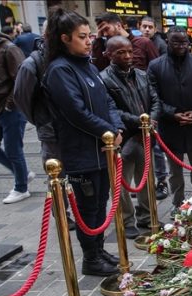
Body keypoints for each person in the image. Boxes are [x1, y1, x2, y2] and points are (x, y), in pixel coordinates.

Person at [42, 7, 124, 276]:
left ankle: (98, 250)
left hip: (102, 150)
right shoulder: (59, 70)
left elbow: (107, 99)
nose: (90, 41)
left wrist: (116, 128)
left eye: (90, 36)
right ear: (65, 38)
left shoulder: (86, 65)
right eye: (83, 36)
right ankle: (91, 258)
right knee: (88, 208)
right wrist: (106, 132)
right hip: (81, 153)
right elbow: (76, 113)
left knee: (100, 204)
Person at [14, 22, 76, 228]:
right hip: (52, 132)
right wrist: (42, 121)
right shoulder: (33, 63)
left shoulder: (70, 57)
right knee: (57, 177)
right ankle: (61, 215)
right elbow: (22, 98)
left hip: (75, 129)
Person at [100, 36, 161, 238]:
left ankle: (146, 215)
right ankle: (127, 219)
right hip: (124, 137)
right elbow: (112, 110)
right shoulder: (104, 79)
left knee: (146, 179)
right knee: (121, 183)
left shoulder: (142, 75)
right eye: (120, 52)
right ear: (109, 54)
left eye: (129, 51)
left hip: (144, 135)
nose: (127, 56)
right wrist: (139, 121)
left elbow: (155, 100)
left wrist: (150, 120)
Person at [148, 26, 192, 211]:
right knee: (175, 172)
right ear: (168, 41)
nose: (181, 45)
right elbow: (153, 96)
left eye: (184, 42)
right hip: (170, 126)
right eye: (176, 41)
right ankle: (178, 204)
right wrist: (172, 113)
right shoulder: (156, 65)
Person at [0, 13, 33, 205]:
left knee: (13, 149)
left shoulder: (8, 48)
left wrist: (9, 104)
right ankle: (22, 172)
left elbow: (21, 80)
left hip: (10, 109)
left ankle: (21, 187)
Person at [139, 15, 170, 199]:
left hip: (154, 102)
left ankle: (161, 180)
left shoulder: (160, 46)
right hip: (140, 102)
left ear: (155, 28)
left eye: (150, 26)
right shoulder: (134, 44)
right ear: (139, 26)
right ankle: (144, 182)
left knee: (157, 147)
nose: (147, 29)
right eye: (144, 26)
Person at [91, 12, 158, 71]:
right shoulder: (106, 47)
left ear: (118, 25)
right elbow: (99, 70)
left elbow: (157, 69)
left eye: (106, 29)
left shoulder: (144, 43)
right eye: (102, 31)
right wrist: (98, 39)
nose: (105, 34)